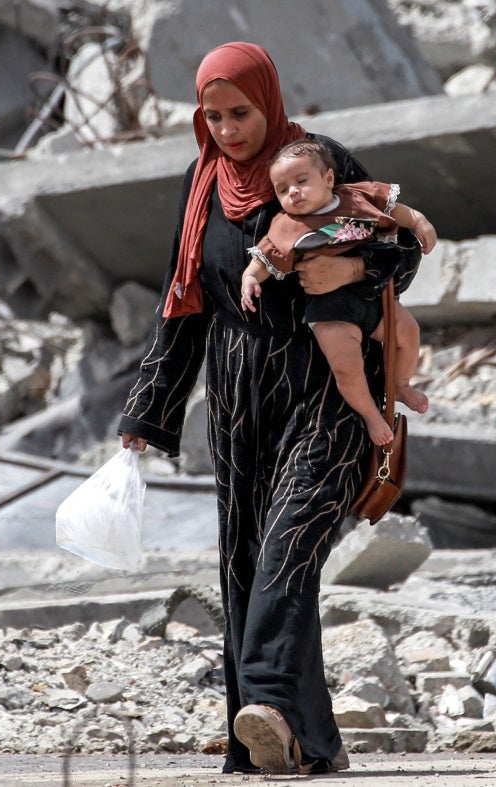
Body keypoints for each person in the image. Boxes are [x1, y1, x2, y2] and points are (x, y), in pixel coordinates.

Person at [117, 43, 421, 775]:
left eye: (241, 113)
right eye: (213, 115)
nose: (227, 129)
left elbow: (399, 249)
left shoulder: (317, 160)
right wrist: (146, 411)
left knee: (289, 546)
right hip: (237, 392)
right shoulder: (202, 184)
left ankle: (267, 700)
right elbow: (181, 303)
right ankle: (304, 743)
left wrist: (349, 264)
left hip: (326, 382)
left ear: (269, 101)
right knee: (246, 562)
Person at [239, 138, 435, 445]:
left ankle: (400, 385)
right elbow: (263, 258)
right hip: (329, 310)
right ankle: (371, 414)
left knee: (408, 332)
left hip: (371, 294)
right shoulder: (287, 225)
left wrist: (420, 221)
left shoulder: (357, 197)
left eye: (301, 181)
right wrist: (250, 278)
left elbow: (396, 209)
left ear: (328, 179)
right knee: (346, 366)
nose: (293, 192)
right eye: (282, 189)